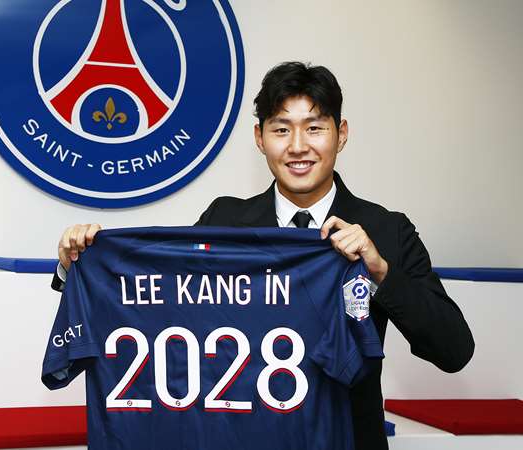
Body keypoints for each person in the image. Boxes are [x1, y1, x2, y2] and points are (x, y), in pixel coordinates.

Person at [51, 61, 475, 450]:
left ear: (341, 134)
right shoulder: (224, 221)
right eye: (281, 129)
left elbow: (454, 350)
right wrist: (81, 265)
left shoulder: (386, 230)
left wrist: (381, 271)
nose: (298, 146)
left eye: (314, 128)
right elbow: (162, 305)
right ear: (260, 138)